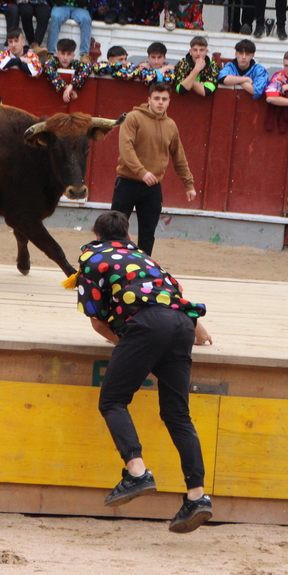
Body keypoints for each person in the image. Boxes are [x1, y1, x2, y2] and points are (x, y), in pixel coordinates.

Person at [75, 209, 213, 534]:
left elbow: (97, 322)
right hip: (182, 326)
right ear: (128, 236)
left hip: (146, 327)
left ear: (96, 236)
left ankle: (137, 472)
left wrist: (131, 348)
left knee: (113, 400)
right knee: (178, 415)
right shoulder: (146, 259)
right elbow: (180, 305)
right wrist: (201, 334)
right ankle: (197, 496)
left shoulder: (92, 259)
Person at [110, 82, 196, 256]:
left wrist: (188, 184)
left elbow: (178, 156)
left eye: (164, 99)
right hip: (127, 182)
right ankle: (110, 264)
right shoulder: (133, 118)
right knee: (114, 229)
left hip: (152, 186)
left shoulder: (171, 125)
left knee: (148, 233)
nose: (160, 102)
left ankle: (143, 268)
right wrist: (141, 172)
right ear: (149, 99)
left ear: (169, 101)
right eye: (157, 98)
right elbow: (126, 149)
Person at [42, 36, 91, 102]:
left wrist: (71, 86)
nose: (65, 58)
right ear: (57, 54)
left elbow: (87, 67)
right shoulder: (51, 62)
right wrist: (67, 87)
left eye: (69, 54)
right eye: (62, 54)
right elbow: (47, 67)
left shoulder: (74, 63)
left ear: (73, 56)